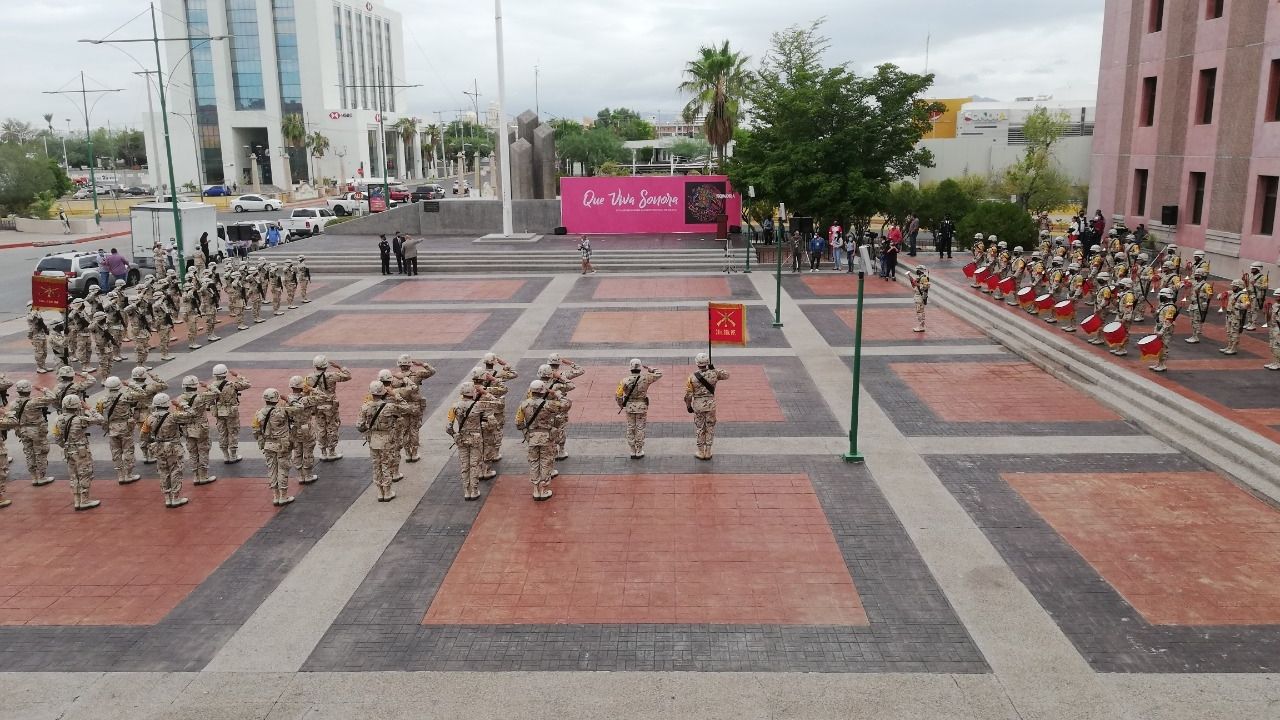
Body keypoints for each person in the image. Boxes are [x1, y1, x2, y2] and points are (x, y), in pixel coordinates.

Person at [358, 380, 410, 501]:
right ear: (383, 392)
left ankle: (379, 492)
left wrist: (368, 430)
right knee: (386, 464)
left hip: (373, 438)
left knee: (376, 465)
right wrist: (395, 395)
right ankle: (387, 491)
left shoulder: (365, 407)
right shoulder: (390, 407)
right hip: (387, 438)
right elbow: (407, 409)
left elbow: (359, 425)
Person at [53, 394, 105, 510]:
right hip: (81, 451)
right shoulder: (80, 420)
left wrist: (65, 445)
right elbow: (100, 419)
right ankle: (85, 500)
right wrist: (89, 408)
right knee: (84, 474)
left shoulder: (58, 419)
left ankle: (76, 501)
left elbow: (56, 437)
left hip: (68, 450)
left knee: (73, 475)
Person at [516, 380, 562, 501]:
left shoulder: (523, 404)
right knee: (546, 462)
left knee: (534, 462)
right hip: (547, 437)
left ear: (531, 391)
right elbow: (566, 405)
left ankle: (536, 490)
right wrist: (557, 394)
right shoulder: (549, 404)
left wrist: (527, 433)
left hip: (532, 438)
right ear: (543, 391)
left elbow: (518, 423)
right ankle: (544, 489)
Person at [252, 388, 297, 506]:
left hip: (268, 444)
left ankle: (275, 496)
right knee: (283, 469)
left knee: (272, 469)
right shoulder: (282, 411)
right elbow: (299, 408)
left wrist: (262, 441)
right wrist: (288, 399)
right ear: (276, 399)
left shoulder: (258, 413)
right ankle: (283, 496)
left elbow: (256, 431)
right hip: (282, 445)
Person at [445, 383, 489, 501]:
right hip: (476, 438)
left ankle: (466, 491)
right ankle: (474, 490)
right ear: (472, 392)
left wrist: (454, 435)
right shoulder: (479, 405)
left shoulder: (454, 406)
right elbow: (488, 422)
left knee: (464, 465)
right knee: (474, 464)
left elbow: (448, 427)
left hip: (462, 438)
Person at [96, 376, 142, 485]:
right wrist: (130, 384)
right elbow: (142, 393)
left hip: (112, 427)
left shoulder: (102, 399)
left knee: (116, 452)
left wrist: (105, 426)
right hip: (125, 426)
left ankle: (120, 475)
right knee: (128, 450)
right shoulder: (126, 396)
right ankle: (129, 474)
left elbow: (99, 415)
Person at [10, 379, 56, 487]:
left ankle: (34, 477)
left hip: (23, 431)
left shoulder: (13, 404)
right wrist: (42, 389)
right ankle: (42, 477)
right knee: (40, 453)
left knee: (29, 453)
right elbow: (52, 397)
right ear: (29, 390)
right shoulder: (34, 402)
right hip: (36, 431)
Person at [307, 355, 352, 461]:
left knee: (320, 428)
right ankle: (331, 452)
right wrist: (339, 367)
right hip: (330, 406)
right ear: (325, 366)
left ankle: (323, 452)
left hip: (317, 406)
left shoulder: (309, 377)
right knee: (332, 428)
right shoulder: (331, 376)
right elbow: (348, 376)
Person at [684, 353, 729, 460]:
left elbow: (688, 395)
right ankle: (708, 451)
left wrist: (688, 406)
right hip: (710, 405)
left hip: (698, 405)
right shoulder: (714, 374)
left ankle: (700, 451)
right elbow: (727, 375)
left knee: (700, 428)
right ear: (707, 363)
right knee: (710, 427)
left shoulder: (691, 377)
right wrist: (714, 369)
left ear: (696, 363)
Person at [616, 359, 662, 458]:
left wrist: (621, 405)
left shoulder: (624, 380)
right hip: (642, 406)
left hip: (630, 406)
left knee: (631, 427)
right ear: (640, 368)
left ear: (630, 368)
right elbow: (659, 374)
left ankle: (632, 450)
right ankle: (639, 450)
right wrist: (651, 369)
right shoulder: (646, 378)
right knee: (640, 428)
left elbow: (618, 395)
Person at [177, 375, 218, 486]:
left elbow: (179, 414)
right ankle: (203, 476)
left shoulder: (180, 399)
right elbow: (217, 393)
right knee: (203, 450)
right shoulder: (201, 397)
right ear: (195, 386)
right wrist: (207, 386)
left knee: (192, 452)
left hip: (187, 428)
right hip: (201, 428)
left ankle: (195, 476)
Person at [211, 364, 251, 464]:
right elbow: (247, 384)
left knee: (222, 433)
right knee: (233, 432)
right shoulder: (232, 385)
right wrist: (238, 375)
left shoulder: (211, 387)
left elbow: (209, 401)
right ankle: (233, 455)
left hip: (219, 413)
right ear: (225, 374)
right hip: (231, 412)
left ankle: (225, 455)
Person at [1150, 288, 1178, 373]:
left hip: (1165, 330)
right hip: (1159, 327)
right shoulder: (1163, 305)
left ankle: (1162, 365)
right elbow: (1157, 318)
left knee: (1164, 347)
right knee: (1159, 346)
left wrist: (1161, 332)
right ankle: (1158, 363)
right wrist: (1153, 312)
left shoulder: (1170, 308)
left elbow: (1168, 321)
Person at [1220, 279, 1250, 355]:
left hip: (1236, 317)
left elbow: (1247, 305)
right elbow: (1223, 294)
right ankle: (1229, 346)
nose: (1232, 287)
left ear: (1239, 287)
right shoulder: (1233, 293)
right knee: (1229, 332)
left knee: (1234, 333)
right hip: (1229, 315)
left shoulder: (1243, 295)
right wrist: (1223, 294)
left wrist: (1236, 304)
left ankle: (1233, 348)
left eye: (1234, 286)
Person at [27, 303, 50, 373]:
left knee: (44, 352)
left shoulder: (37, 313)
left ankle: (43, 366)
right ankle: (39, 367)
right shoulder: (31, 314)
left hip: (41, 335)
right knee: (39, 352)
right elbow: (39, 321)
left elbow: (41, 322)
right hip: (36, 336)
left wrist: (46, 329)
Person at [911, 266, 930, 333]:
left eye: (917, 270)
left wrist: (917, 284)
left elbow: (926, 286)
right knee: (920, 311)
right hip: (918, 296)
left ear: (920, 271)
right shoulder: (920, 277)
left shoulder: (923, 278)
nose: (916, 271)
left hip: (920, 296)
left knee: (919, 312)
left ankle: (921, 326)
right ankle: (921, 325)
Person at [1266, 288, 1280, 370]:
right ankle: (1275, 361)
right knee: (1272, 346)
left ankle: (1278, 363)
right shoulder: (1275, 305)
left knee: (1277, 346)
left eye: (1277, 296)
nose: (1275, 298)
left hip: (1278, 329)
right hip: (1273, 328)